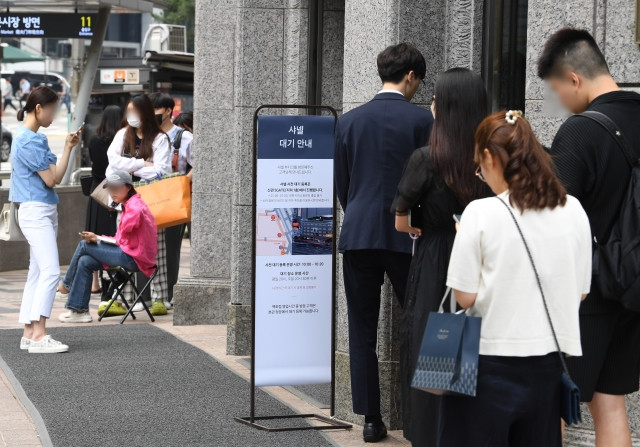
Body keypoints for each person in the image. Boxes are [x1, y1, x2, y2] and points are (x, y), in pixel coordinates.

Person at [439, 110, 592, 446]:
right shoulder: (574, 209)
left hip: (484, 363)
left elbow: (463, 297)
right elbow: (580, 294)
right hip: (549, 365)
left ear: (492, 157)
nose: (481, 174)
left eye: (480, 165)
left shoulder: (480, 213)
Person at [537, 28, 640, 447]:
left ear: (574, 78)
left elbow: (554, 220)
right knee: (611, 402)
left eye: (557, 89)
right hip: (634, 286)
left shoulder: (581, 132)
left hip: (587, 296)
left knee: (552, 404)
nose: (559, 100)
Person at [334, 42, 433, 443]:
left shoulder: (350, 121)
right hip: (408, 236)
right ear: (410, 76)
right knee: (417, 323)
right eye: (419, 82)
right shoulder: (422, 122)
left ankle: (371, 420)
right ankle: (417, 418)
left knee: (362, 329)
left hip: (358, 234)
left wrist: (357, 211)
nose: (418, 89)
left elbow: (343, 184)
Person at [392, 68, 489, 447]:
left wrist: (421, 226)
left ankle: (432, 436)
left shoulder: (427, 158)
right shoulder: (493, 157)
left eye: (435, 99)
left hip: (438, 261)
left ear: (445, 108)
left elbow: (401, 221)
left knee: (435, 352)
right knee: (478, 350)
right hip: (485, 260)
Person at [9, 86, 81, 353]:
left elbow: (57, 177)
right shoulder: (29, 140)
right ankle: (39, 335)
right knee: (50, 271)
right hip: (36, 209)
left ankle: (29, 333)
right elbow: (51, 178)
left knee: (38, 272)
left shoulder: (32, 138)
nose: (54, 114)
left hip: (40, 209)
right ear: (38, 109)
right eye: (52, 109)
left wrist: (67, 148)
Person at [58, 171, 158, 323]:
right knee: (85, 261)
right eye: (110, 189)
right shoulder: (131, 204)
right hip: (132, 255)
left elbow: (120, 241)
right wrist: (97, 237)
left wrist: (96, 238)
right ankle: (79, 311)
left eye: (116, 188)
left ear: (128, 187)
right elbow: (121, 240)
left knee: (84, 244)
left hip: (135, 258)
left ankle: (66, 286)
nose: (113, 192)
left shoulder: (134, 208)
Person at [106, 94, 172, 316]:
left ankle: (159, 298)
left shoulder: (160, 139)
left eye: (135, 111)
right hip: (125, 200)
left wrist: (128, 168)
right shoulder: (123, 134)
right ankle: (122, 298)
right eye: (129, 111)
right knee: (123, 245)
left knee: (156, 248)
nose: (131, 116)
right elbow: (112, 163)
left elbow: (162, 171)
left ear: (145, 112)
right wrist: (143, 163)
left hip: (153, 200)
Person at [150, 93, 194, 307]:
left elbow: (198, 163)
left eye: (156, 110)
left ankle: (168, 292)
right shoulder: (148, 135)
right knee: (149, 245)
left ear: (168, 111)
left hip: (173, 197)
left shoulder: (183, 137)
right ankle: (152, 293)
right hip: (151, 196)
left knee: (171, 246)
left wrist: (184, 182)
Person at [85, 105, 123, 294]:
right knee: (113, 233)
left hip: (97, 190)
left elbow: (94, 162)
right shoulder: (122, 143)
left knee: (94, 233)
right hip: (116, 190)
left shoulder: (94, 140)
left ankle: (94, 282)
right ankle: (114, 277)